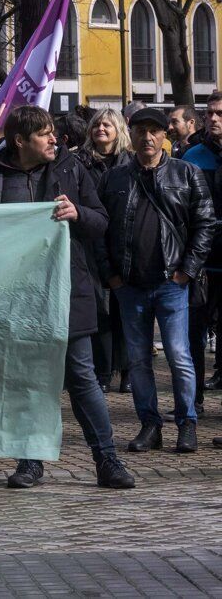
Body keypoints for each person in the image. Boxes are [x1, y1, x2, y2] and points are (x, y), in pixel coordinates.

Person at [0, 106, 135, 490]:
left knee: (82, 377)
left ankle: (107, 460)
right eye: (44, 134)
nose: (55, 139)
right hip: (13, 297)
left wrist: (78, 214)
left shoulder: (72, 170)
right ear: (20, 141)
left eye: (53, 133)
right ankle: (30, 461)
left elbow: (100, 220)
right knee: (29, 379)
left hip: (67, 290)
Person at [99, 108, 215, 454]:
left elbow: (206, 224)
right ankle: (150, 425)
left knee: (179, 355)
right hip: (130, 285)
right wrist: (112, 276)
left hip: (171, 282)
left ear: (165, 135)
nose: (147, 138)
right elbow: (100, 230)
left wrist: (187, 271)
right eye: (140, 131)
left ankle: (187, 422)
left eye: (154, 131)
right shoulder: (115, 178)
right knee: (138, 359)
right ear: (130, 135)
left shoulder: (187, 173)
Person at [78, 109, 134, 393]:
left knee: (124, 310)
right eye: (97, 124)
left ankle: (127, 370)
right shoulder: (80, 162)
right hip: (90, 243)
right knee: (99, 310)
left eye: (107, 124)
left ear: (119, 130)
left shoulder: (130, 163)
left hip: (122, 243)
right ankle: (103, 371)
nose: (101, 128)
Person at [182, 93, 222, 398]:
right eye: (209, 113)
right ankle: (192, 402)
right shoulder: (192, 156)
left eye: (219, 113)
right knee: (193, 333)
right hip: (200, 260)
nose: (213, 119)